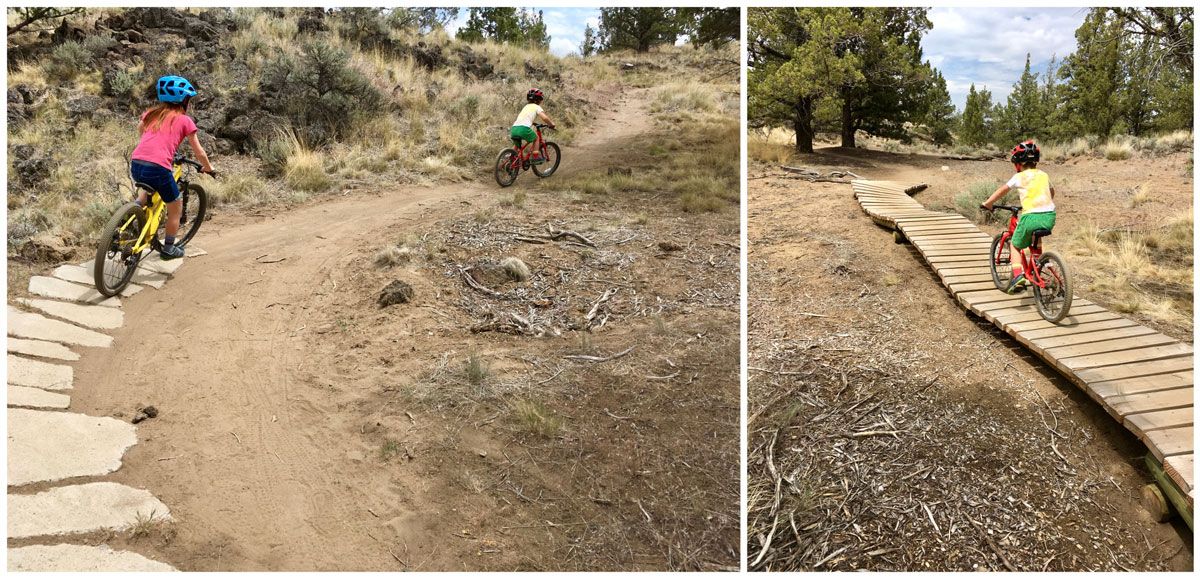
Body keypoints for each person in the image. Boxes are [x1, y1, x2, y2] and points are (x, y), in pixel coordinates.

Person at [130, 75, 214, 260]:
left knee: (145, 188)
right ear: (184, 100)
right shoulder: (185, 120)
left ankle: (130, 215)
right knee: (175, 206)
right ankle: (168, 248)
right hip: (158, 167)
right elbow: (199, 151)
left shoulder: (151, 114)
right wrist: (208, 168)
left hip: (136, 163)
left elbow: (140, 129)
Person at [981, 140, 1056, 293]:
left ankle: (1017, 276)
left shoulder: (1019, 177)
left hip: (1030, 217)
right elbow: (1052, 192)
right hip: (1049, 217)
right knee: (1037, 235)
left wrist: (988, 203)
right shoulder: (1043, 174)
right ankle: (1037, 262)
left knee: (1015, 244)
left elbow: (1002, 190)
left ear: (1017, 163)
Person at [511, 88, 555, 167]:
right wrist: (551, 124)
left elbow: (525, 117)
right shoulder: (536, 107)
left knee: (517, 145)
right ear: (538, 100)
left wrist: (532, 122)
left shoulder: (526, 106)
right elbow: (544, 118)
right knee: (536, 138)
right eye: (540, 99)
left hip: (514, 128)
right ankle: (535, 157)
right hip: (523, 129)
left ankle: (511, 158)